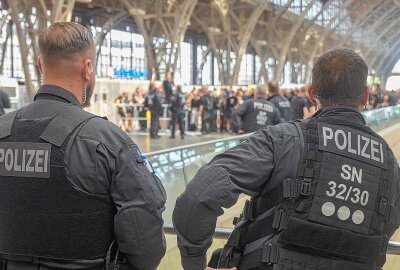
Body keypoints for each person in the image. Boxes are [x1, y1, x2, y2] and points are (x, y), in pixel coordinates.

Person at [173, 47, 400, 270]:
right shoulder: (390, 164)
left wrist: (195, 263)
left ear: (311, 93)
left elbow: (197, 197)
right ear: (366, 95)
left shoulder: (282, 140)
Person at [0, 22, 166, 270]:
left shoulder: (3, 130)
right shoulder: (106, 140)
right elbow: (145, 241)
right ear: (88, 69)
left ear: (39, 65)